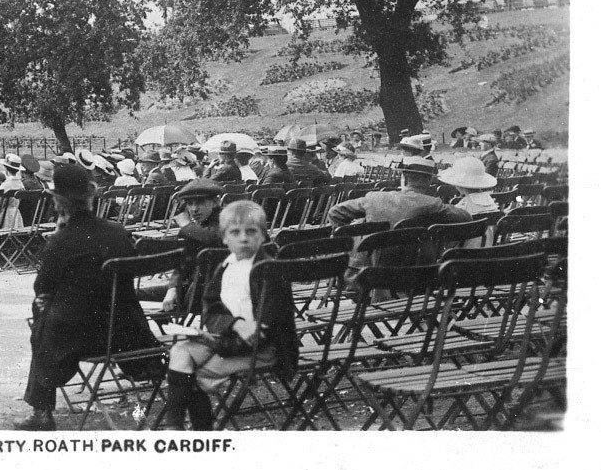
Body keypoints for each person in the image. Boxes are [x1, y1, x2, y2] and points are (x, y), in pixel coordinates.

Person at [16, 164, 163, 431]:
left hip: (76, 339)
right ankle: (151, 372)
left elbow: (42, 287)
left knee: (40, 313)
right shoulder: (117, 232)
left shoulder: (60, 241)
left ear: (57, 200)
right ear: (91, 195)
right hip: (125, 334)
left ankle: (42, 411)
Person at [159, 201, 298, 430]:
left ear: (263, 235)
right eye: (235, 232)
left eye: (251, 232)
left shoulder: (269, 270)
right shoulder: (226, 265)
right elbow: (211, 307)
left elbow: (266, 329)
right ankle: (174, 426)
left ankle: (202, 432)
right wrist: (231, 325)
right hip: (230, 338)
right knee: (179, 352)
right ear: (224, 238)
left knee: (192, 375)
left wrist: (219, 342)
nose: (243, 238)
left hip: (264, 349)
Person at [329, 156, 472, 269]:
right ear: (429, 181)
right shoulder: (433, 204)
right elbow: (466, 217)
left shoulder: (375, 197)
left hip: (364, 273)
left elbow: (335, 212)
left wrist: (348, 245)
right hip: (412, 274)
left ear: (404, 177)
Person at [163, 179, 225, 314]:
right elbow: (184, 262)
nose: (194, 209)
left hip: (205, 297)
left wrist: (187, 226)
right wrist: (172, 288)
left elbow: (214, 239)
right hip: (189, 288)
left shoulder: (226, 220)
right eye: (190, 204)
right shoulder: (199, 227)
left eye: (200, 202)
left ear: (215, 202)